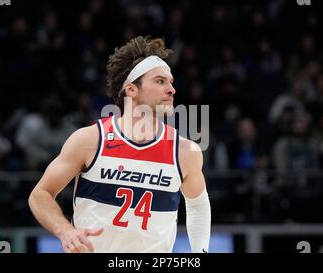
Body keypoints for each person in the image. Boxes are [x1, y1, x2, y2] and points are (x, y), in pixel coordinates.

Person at [28, 36, 211, 253]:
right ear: (131, 90)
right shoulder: (90, 140)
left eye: (171, 82)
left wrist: (201, 252)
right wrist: (65, 231)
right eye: (160, 81)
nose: (172, 89)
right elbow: (40, 194)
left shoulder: (185, 152)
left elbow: (198, 205)